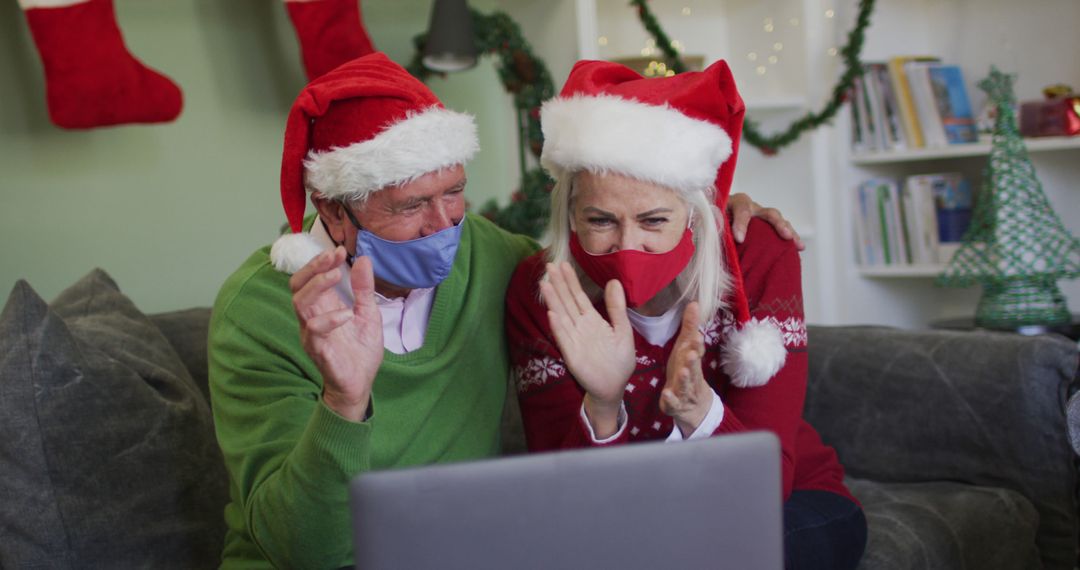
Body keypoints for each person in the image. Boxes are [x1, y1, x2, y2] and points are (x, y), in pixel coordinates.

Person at [209, 52, 802, 569]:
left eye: (453, 192)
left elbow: (603, 239)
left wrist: (713, 211)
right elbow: (303, 551)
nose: (446, 224)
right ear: (334, 212)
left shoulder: (489, 259)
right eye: (412, 205)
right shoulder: (258, 313)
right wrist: (344, 402)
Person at [506, 59, 867, 570]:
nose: (629, 245)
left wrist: (701, 412)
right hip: (629, 518)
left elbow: (768, 484)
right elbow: (570, 500)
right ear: (569, 213)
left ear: (698, 211)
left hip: (787, 502)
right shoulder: (541, 288)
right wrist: (604, 404)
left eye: (654, 220)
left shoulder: (758, 252)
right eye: (600, 220)